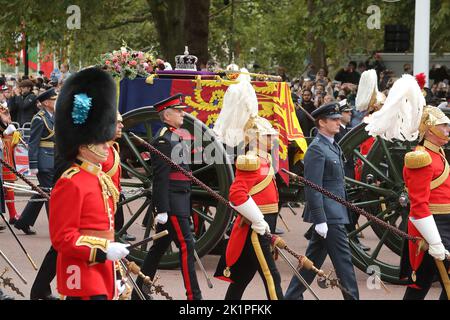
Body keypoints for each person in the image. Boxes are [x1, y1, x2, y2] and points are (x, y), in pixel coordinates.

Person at [363, 74, 450, 300]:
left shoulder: (436, 153)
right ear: (430, 129)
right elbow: (419, 205)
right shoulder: (420, 158)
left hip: (443, 225)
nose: (447, 128)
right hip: (431, 228)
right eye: (443, 125)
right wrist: (435, 241)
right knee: (421, 285)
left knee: (419, 285)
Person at [49, 67, 129, 300]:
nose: (107, 146)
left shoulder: (97, 177)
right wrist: (104, 250)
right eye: (100, 141)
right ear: (83, 146)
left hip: (102, 268)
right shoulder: (71, 182)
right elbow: (63, 238)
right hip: (83, 273)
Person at [212, 71, 283, 300]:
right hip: (256, 226)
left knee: (242, 277)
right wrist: (259, 220)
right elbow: (237, 194)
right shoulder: (250, 161)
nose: (272, 139)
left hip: (263, 222)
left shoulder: (265, 159)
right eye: (267, 136)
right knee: (272, 277)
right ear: (254, 138)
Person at [284, 102, 359, 300]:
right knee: (345, 266)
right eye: (333, 119)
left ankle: (291, 297)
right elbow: (313, 187)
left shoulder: (331, 146)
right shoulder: (317, 149)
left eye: (338, 118)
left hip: (335, 213)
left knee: (310, 264)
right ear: (322, 123)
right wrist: (320, 219)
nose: (338, 122)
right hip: (329, 216)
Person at [132, 94, 202, 300]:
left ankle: (139, 291)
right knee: (186, 248)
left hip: (179, 198)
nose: (183, 113)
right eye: (179, 111)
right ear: (168, 115)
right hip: (172, 203)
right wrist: (162, 209)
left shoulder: (175, 136)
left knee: (159, 247)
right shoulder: (163, 140)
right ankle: (194, 298)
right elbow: (161, 178)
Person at [14, 88, 57, 235]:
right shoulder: (40, 118)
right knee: (50, 194)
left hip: (53, 159)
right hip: (44, 161)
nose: (55, 101)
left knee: (42, 192)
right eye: (53, 99)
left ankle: (23, 222)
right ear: (46, 102)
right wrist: (33, 164)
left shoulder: (54, 116)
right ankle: (56, 227)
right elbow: (33, 143)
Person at [102, 112, 135, 241]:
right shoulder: (99, 150)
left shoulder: (114, 147)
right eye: (118, 123)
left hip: (114, 192)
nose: (122, 125)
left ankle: (119, 232)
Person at [0, 104, 21, 224]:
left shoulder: (3, 107)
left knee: (9, 186)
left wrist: (14, 137)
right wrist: (6, 130)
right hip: (2, 158)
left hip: (6, 158)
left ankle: (13, 214)